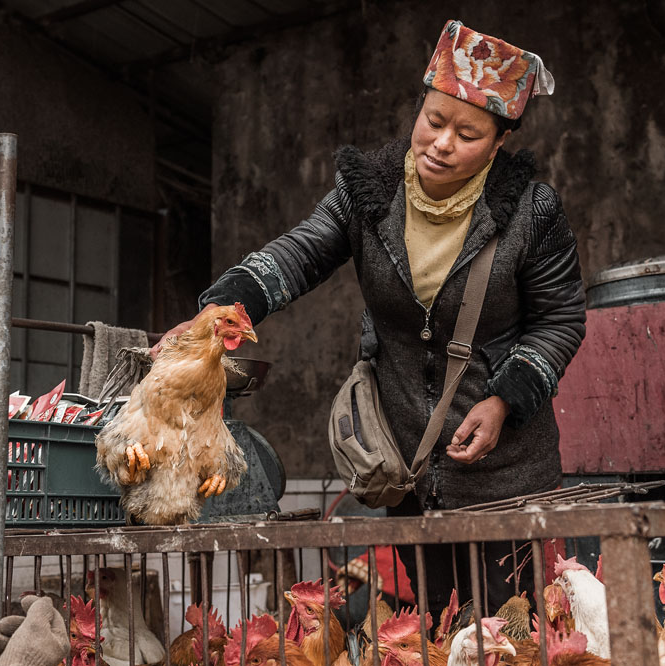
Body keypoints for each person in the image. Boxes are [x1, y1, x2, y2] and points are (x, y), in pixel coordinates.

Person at [156, 19, 586, 612]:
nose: (441, 143)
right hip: (404, 464)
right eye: (433, 122)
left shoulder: (532, 213)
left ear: (498, 142)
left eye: (467, 134)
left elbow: (561, 320)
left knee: (510, 627)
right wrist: (227, 304)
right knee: (436, 625)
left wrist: (505, 400)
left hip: (506, 474)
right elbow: (300, 250)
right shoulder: (370, 191)